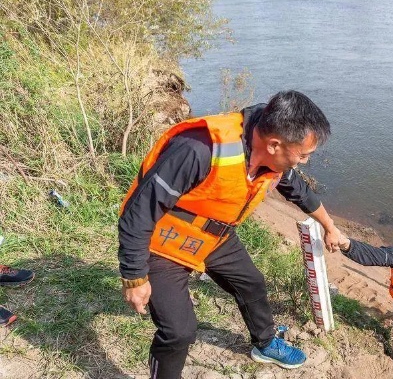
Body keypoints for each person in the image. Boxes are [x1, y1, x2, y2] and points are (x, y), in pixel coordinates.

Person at [118, 91, 343, 378]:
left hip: (213, 236)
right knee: (179, 331)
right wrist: (135, 277)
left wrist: (330, 226)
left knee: (252, 284)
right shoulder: (198, 149)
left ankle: (265, 343)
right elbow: (138, 213)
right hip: (163, 243)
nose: (303, 162)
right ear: (275, 145)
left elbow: (299, 192)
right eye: (303, 155)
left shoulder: (273, 158)